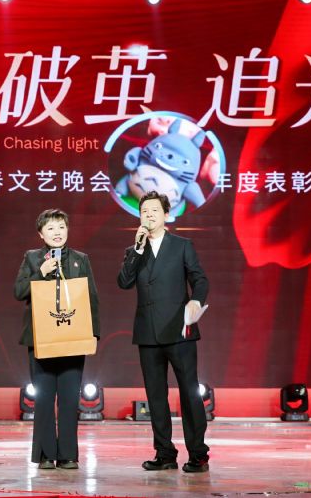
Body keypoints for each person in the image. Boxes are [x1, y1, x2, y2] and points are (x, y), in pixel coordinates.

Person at [117, 191, 211, 474]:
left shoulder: (182, 245)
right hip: (148, 332)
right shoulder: (135, 250)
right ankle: (165, 453)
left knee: (189, 393)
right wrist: (136, 250)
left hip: (179, 330)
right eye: (144, 211)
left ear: (166, 214)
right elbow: (124, 282)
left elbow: (200, 279)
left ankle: (198, 454)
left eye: (154, 211)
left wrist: (196, 301)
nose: (148, 215)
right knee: (156, 396)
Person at [14, 209, 100, 470]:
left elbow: (91, 298)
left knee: (69, 399)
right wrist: (40, 272)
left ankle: (68, 455)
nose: (57, 232)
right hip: (41, 339)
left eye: (61, 227)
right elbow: (19, 291)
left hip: (73, 338)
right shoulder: (32, 258)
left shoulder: (80, 259)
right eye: (50, 228)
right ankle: (44, 454)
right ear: (41, 234)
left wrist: (93, 333)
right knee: (43, 399)